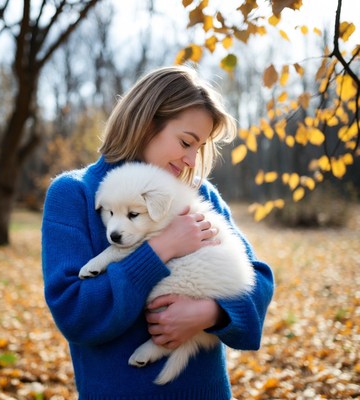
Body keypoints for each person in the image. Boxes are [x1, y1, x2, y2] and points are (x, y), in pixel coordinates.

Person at [41, 65, 274, 400]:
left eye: (199, 147)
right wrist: (161, 249)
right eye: (186, 142)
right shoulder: (74, 193)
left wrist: (210, 312)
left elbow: (258, 280)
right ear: (147, 123)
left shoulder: (200, 195)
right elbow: (74, 312)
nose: (192, 160)